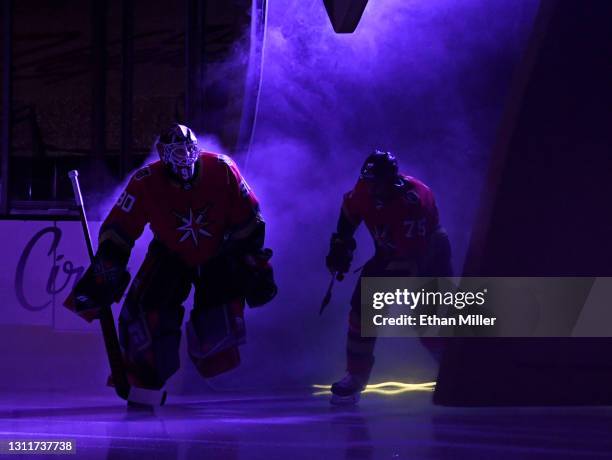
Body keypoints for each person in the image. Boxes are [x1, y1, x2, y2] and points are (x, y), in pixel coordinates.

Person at [65, 123, 276, 392]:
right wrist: (104, 275)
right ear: (164, 155)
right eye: (177, 152)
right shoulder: (146, 181)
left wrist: (255, 265)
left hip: (219, 252)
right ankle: (143, 377)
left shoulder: (223, 168)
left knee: (221, 319)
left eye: (189, 150)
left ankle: (220, 377)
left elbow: (250, 220)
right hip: (170, 253)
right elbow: (119, 230)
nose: (185, 157)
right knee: (143, 311)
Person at [325, 150, 451, 405]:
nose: (372, 189)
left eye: (377, 183)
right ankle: (355, 376)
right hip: (390, 251)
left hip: (429, 255)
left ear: (391, 181)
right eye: (369, 182)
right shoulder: (364, 189)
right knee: (362, 311)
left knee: (429, 320)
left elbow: (413, 253)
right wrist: (342, 243)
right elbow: (350, 213)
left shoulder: (413, 201)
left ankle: (453, 368)